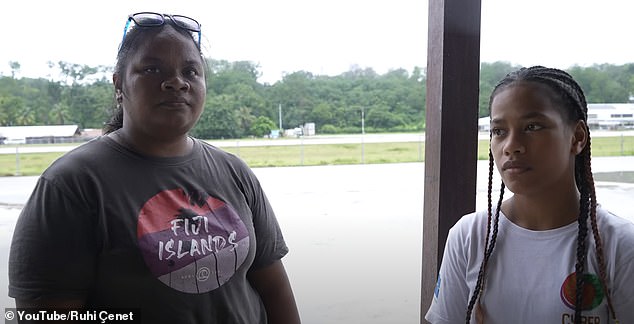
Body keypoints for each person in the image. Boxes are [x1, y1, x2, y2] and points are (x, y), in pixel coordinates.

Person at [9, 12, 301, 324]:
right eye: (152, 68)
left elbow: (274, 288)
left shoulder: (234, 172)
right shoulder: (72, 185)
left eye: (191, 71)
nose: (176, 82)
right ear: (119, 85)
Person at [425, 66, 634, 324]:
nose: (511, 146)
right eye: (499, 131)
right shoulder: (470, 235)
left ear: (578, 137)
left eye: (533, 126)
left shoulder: (620, 245)